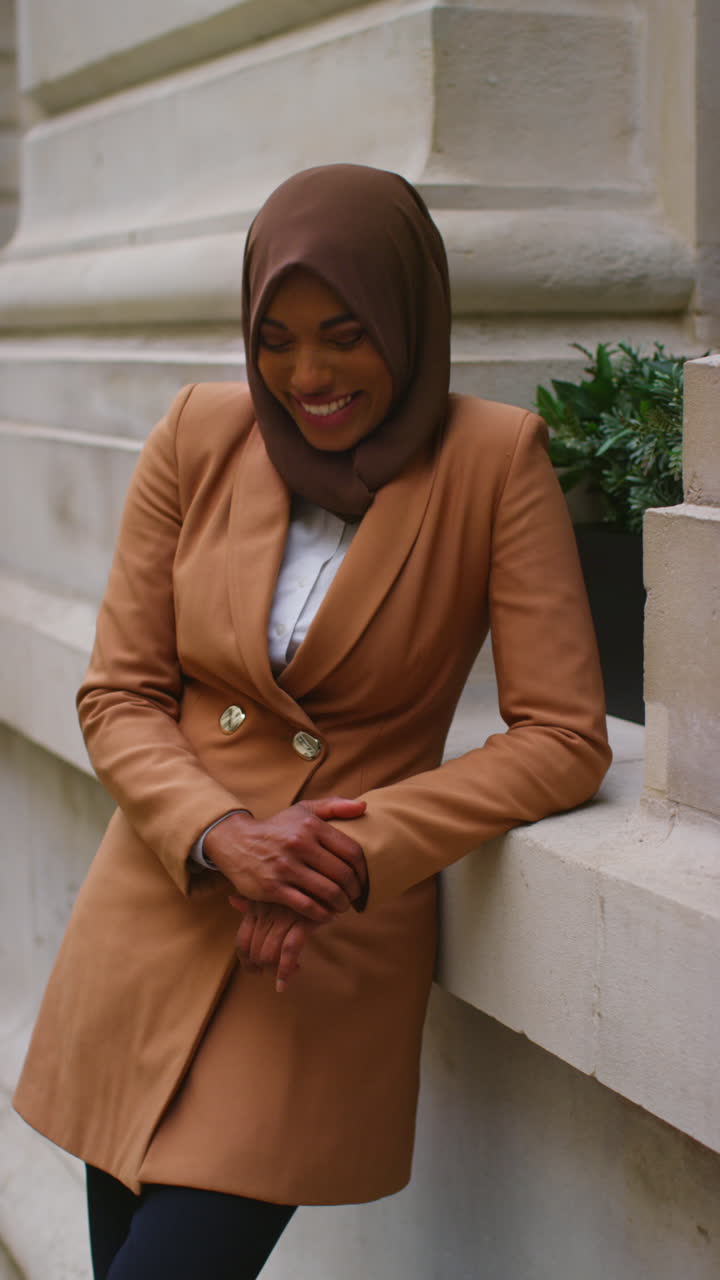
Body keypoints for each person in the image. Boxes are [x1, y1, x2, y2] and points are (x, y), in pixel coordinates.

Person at [13, 164, 611, 1279]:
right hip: (156, 911)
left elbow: (565, 734)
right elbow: (120, 690)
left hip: (310, 955)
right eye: (277, 338)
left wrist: (351, 851)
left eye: (345, 334)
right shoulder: (200, 432)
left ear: (408, 314)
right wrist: (219, 832)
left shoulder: (496, 461)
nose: (309, 374)